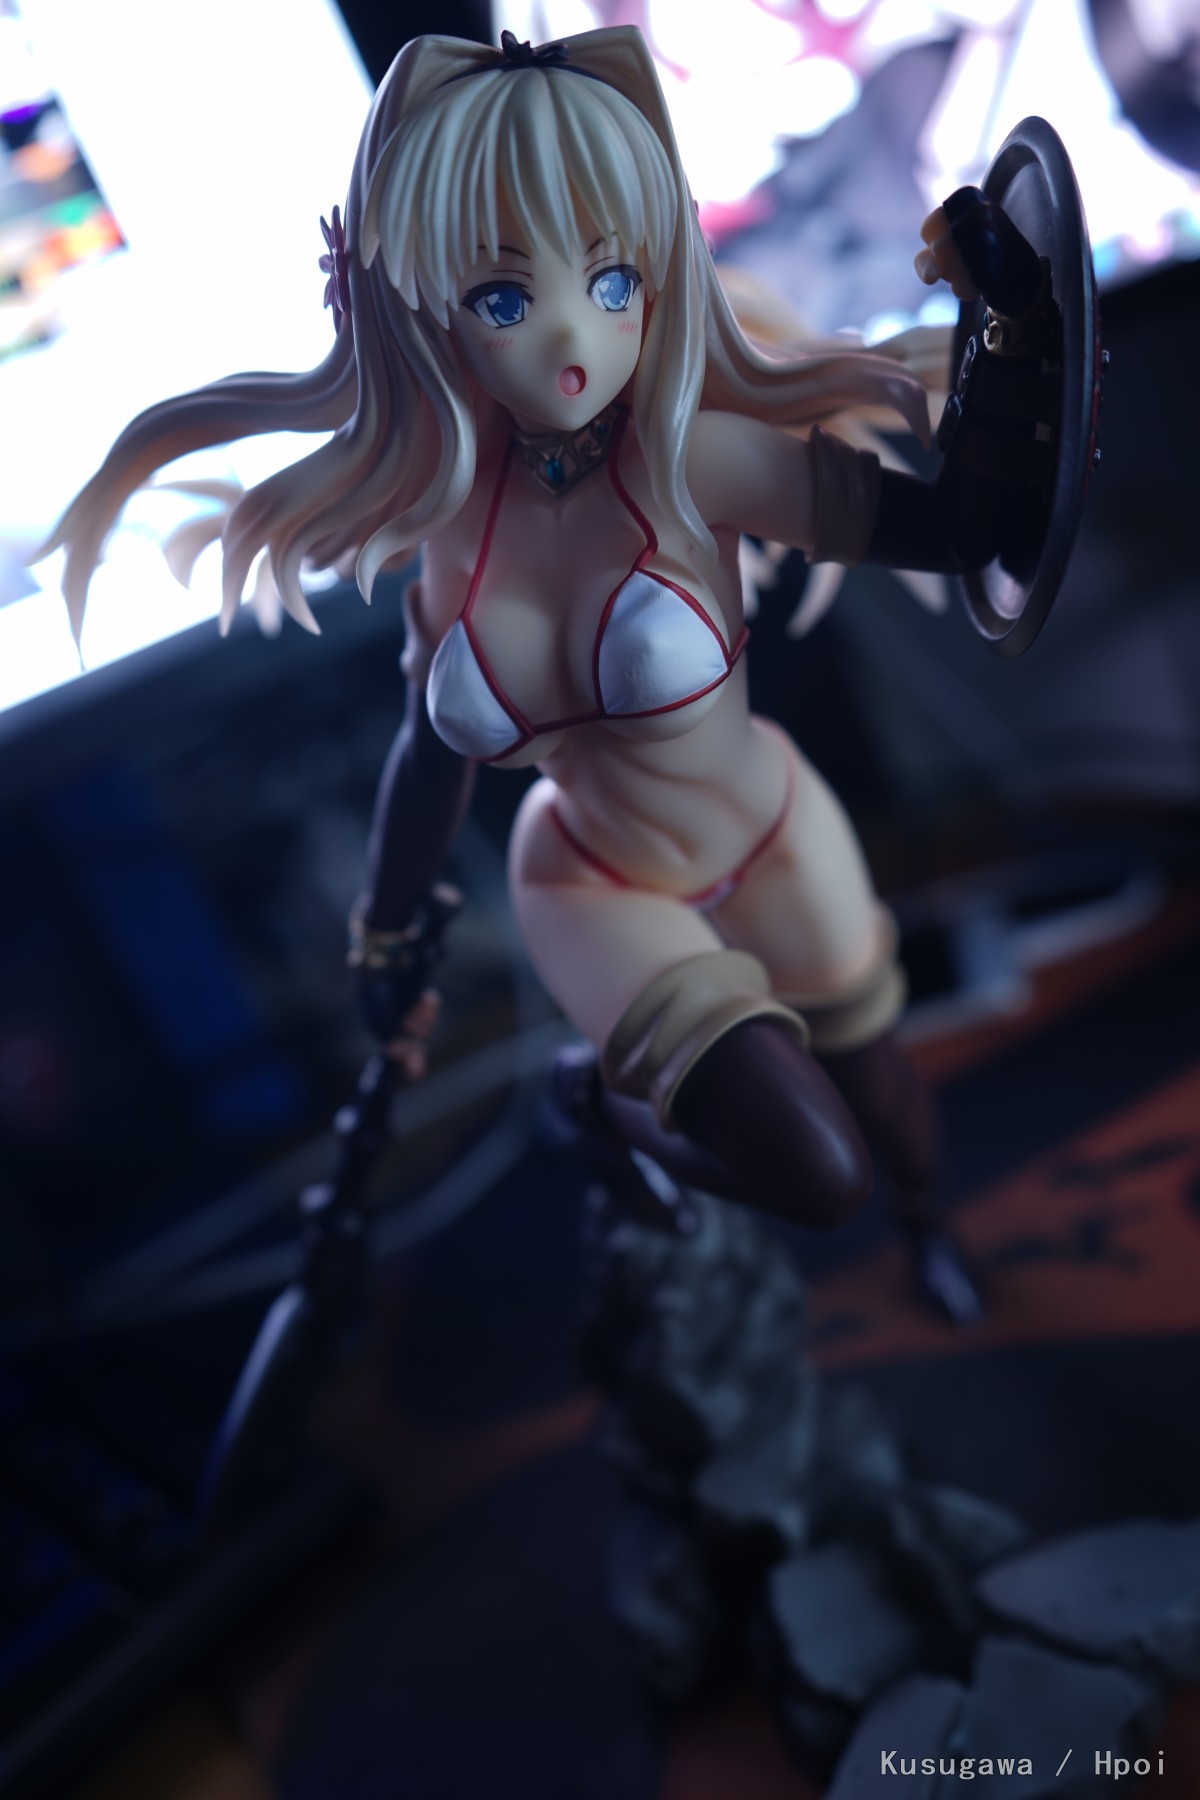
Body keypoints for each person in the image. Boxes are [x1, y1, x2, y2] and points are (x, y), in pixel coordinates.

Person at [42, 26, 1033, 1312]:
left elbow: (962, 534)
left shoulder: (694, 460)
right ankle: (606, 1112)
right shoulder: (447, 528)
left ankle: (929, 1230)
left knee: (878, 1088)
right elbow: (429, 752)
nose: (572, 337)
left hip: (770, 831)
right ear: (420, 308)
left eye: (614, 280)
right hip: (588, 878)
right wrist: (385, 934)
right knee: (815, 1169)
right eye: (504, 300)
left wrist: (1011, 334)